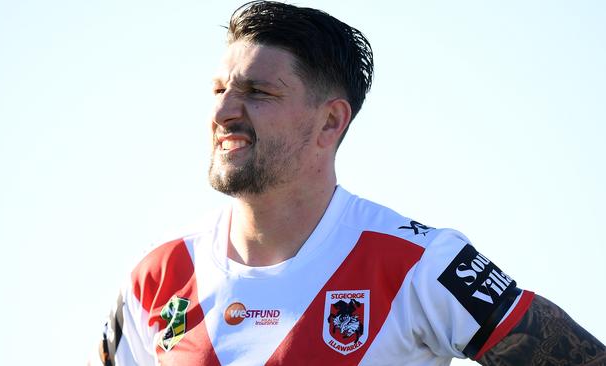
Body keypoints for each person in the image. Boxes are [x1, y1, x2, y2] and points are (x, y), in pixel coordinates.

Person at [93, 1, 605, 365]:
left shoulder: (422, 265)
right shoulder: (155, 278)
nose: (225, 110)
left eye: (258, 92)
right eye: (219, 88)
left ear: (330, 122)